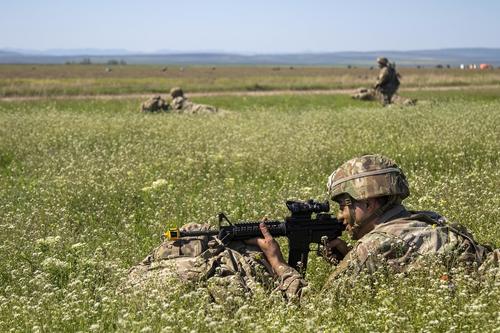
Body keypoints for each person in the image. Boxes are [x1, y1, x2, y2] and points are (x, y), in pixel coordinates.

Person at [254, 154, 499, 290]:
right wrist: (349, 256)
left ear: (368, 203)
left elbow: (317, 308)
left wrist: (278, 264)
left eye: (344, 206)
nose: (340, 216)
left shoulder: (373, 247)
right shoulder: (428, 219)